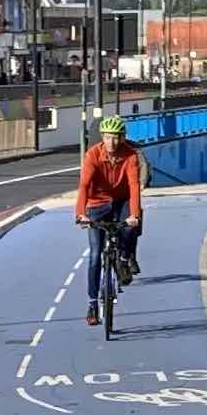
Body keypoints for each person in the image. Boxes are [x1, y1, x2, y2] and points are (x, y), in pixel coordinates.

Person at [73, 113, 146, 322]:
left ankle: (123, 259)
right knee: (95, 256)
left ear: (122, 137)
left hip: (122, 200)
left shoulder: (130, 156)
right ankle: (93, 304)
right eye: (106, 137)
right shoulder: (92, 155)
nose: (111, 142)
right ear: (102, 138)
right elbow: (84, 186)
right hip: (97, 203)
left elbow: (134, 187)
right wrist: (80, 214)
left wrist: (134, 214)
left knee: (131, 226)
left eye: (115, 137)